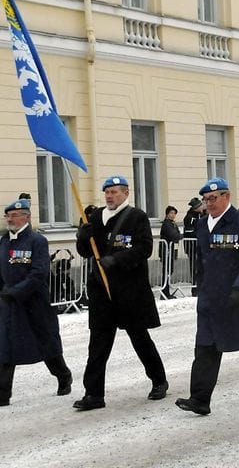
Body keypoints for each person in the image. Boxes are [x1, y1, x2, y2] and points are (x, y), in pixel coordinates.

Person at [73, 176, 168, 411]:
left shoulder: (136, 217)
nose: (109, 196)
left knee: (140, 339)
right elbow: (86, 252)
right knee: (98, 344)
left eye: (114, 192)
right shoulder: (95, 217)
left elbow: (144, 248)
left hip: (129, 291)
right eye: (106, 192)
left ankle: (159, 380)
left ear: (126, 193)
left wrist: (116, 260)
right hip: (101, 291)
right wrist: (82, 237)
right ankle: (93, 394)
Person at [176, 177, 239, 416]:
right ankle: (199, 399)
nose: (209, 203)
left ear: (226, 197)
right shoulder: (202, 224)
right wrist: (201, 287)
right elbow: (202, 259)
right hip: (210, 296)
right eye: (206, 200)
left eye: (213, 199)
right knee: (206, 346)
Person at [0, 199, 72, 407]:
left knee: (45, 342)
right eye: (8, 215)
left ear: (27, 217)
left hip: (34, 303)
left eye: (15, 215)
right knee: (6, 347)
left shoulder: (37, 241)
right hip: (10, 305)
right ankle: (1, 393)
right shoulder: (4, 242)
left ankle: (63, 374)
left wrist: (16, 292)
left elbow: (39, 273)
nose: (10, 219)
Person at [159, 205, 182, 299]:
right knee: (167, 271)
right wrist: (181, 236)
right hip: (166, 250)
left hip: (171, 250)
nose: (173, 215)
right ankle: (165, 293)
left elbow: (177, 233)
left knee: (169, 271)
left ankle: (166, 292)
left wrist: (179, 235)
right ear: (167, 214)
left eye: (174, 213)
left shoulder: (172, 223)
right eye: (171, 213)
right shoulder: (167, 224)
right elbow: (174, 235)